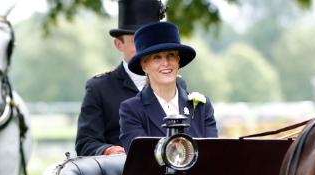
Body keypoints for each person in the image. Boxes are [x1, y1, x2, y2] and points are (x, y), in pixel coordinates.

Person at [75, 0, 173, 156]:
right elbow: (85, 142)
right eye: (137, 40)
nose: (145, 47)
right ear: (118, 44)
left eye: (150, 39)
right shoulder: (99, 88)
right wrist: (107, 150)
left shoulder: (176, 84)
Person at [119, 21, 217, 152]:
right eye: (157, 58)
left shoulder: (202, 106)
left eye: (170, 55)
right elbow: (140, 158)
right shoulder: (132, 110)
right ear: (144, 65)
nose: (165, 63)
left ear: (178, 60)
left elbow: (214, 153)